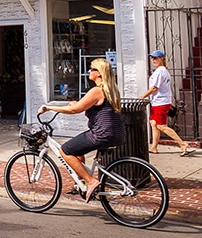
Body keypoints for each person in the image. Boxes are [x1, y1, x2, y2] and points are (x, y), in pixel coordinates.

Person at [38, 58, 125, 202]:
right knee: (77, 150)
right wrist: (76, 104)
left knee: (65, 150)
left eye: (92, 69)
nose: (89, 71)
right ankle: (82, 183)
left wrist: (49, 107)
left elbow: (74, 110)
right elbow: (89, 105)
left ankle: (90, 181)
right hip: (117, 133)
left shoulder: (97, 90)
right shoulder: (111, 90)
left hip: (101, 134)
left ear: (99, 74)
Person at [140, 50, 195, 156]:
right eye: (152, 58)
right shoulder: (161, 71)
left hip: (160, 101)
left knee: (161, 126)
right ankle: (154, 147)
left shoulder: (160, 71)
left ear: (162, 59)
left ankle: (182, 144)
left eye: (156, 58)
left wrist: (143, 96)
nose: (153, 60)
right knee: (153, 123)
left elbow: (154, 88)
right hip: (158, 101)